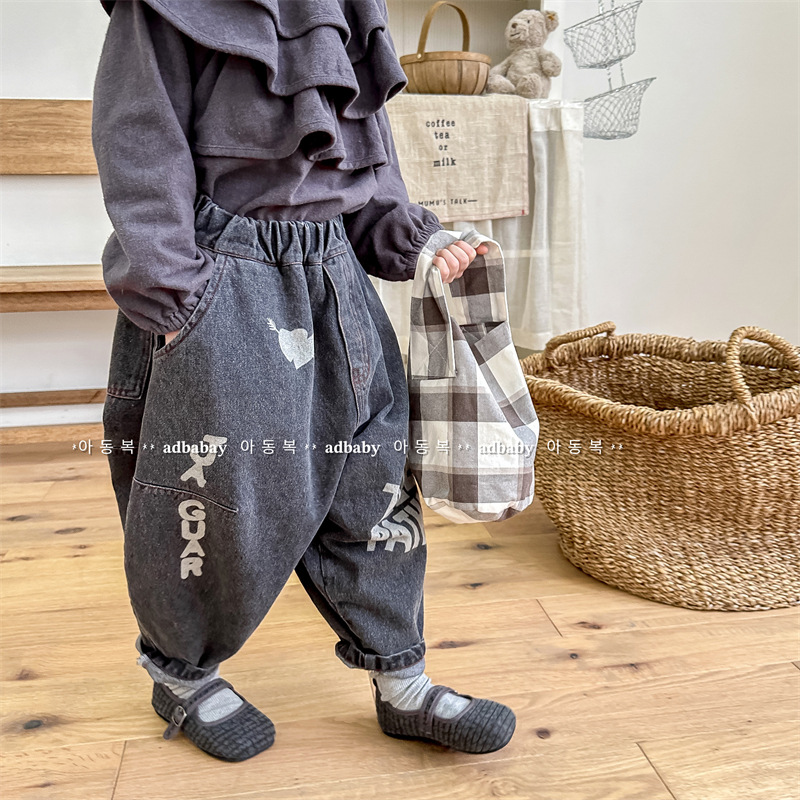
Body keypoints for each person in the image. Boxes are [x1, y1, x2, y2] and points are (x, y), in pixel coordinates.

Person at [93, 0, 515, 762]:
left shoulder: (340, 8)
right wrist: (179, 297)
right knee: (215, 496)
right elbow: (139, 139)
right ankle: (181, 673)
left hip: (336, 279)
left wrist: (414, 238)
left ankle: (402, 676)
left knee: (373, 478)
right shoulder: (162, 11)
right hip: (224, 280)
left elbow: (364, 161)